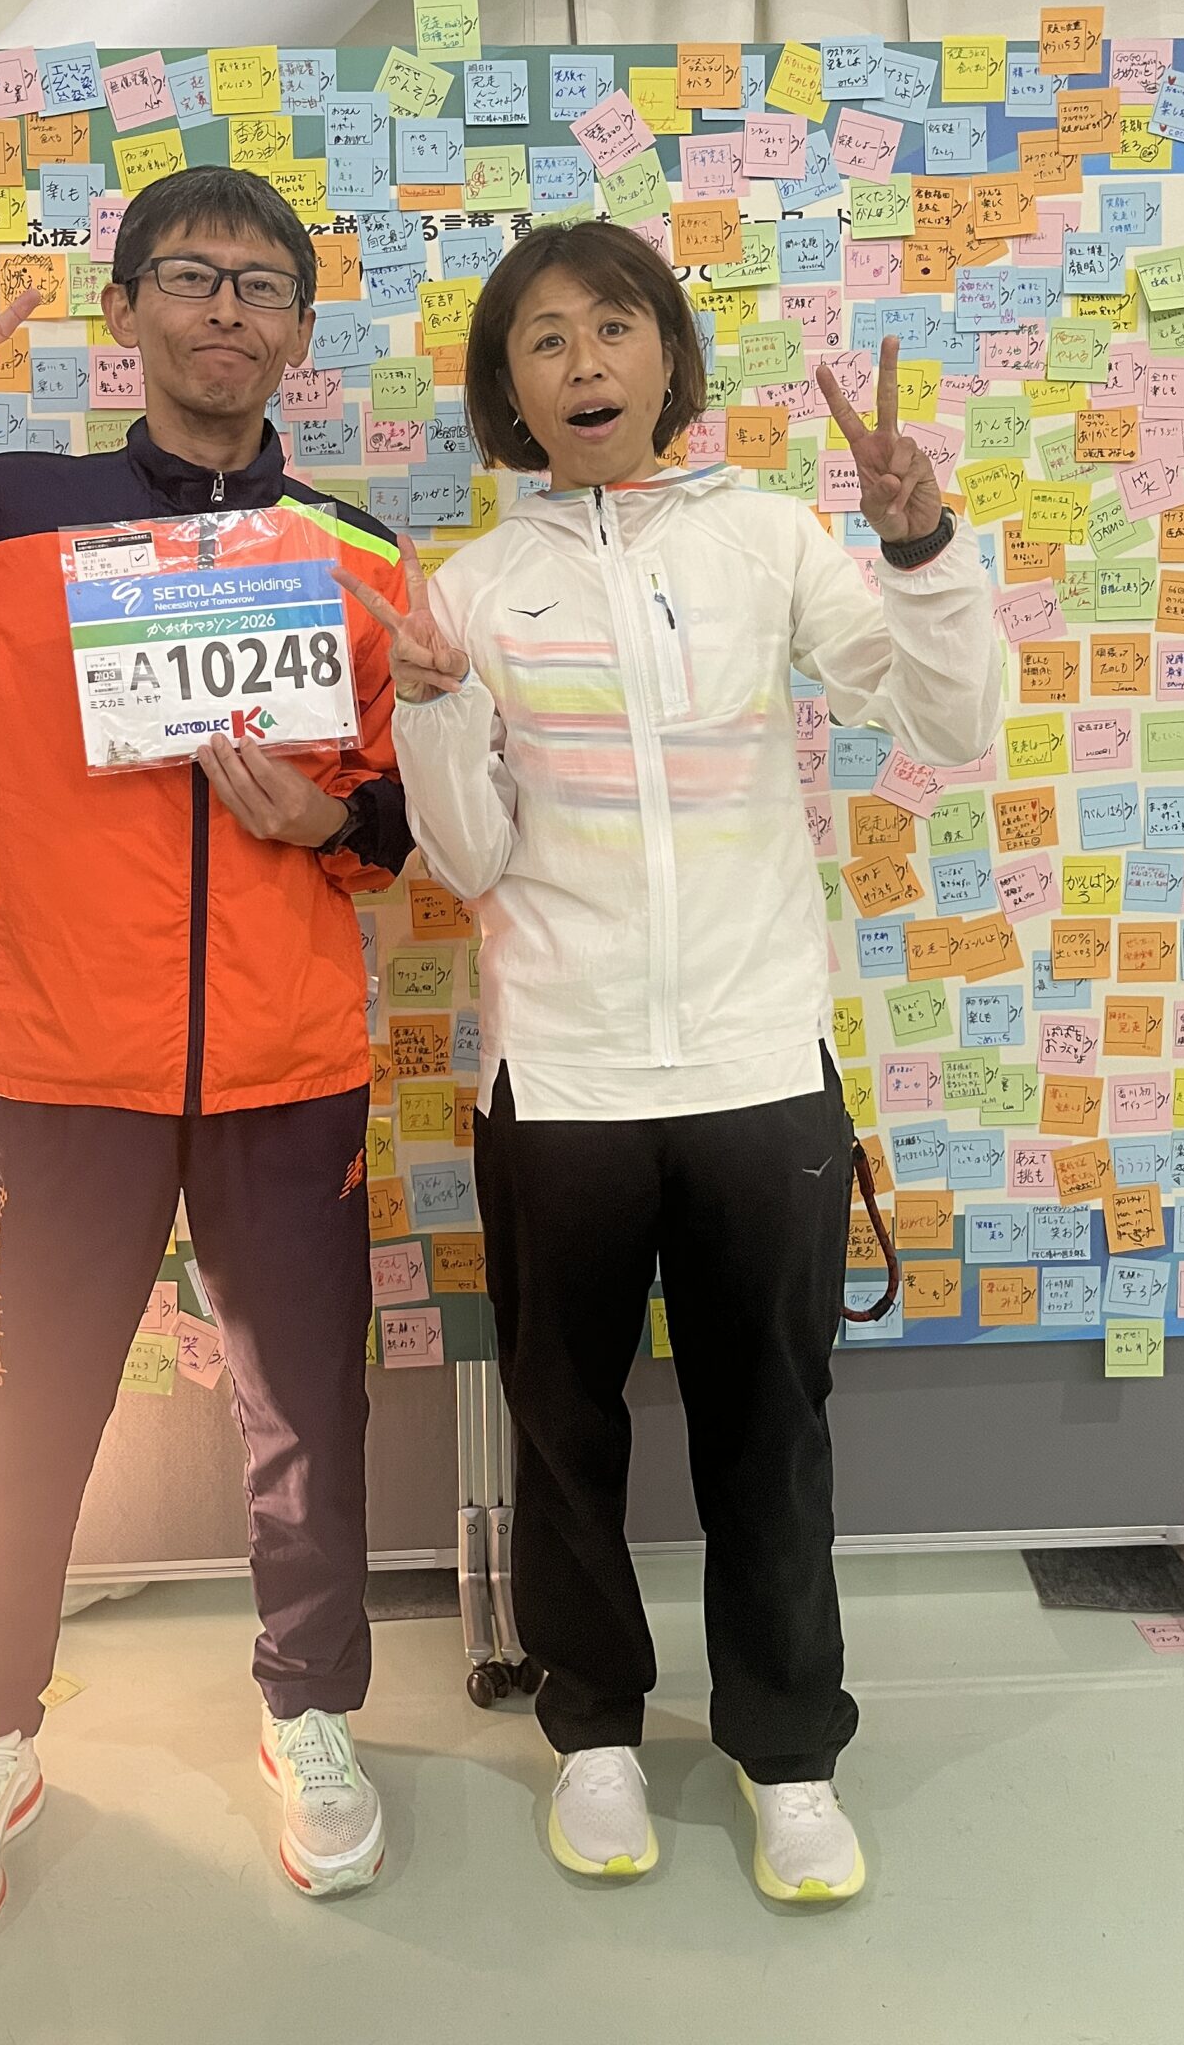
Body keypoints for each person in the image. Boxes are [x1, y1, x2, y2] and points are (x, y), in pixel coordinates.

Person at [0, 169, 413, 1943]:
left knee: (307, 1419)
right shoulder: (6, 515)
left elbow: (401, 818)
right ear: (123, 311)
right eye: (189, 276)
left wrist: (328, 822)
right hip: (63, 1067)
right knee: (21, 1421)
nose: (225, 309)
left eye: (262, 286)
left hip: (288, 1068)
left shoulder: (354, 551)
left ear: (298, 334)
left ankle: (309, 1713)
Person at [337, 219, 1001, 1905]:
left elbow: (953, 723)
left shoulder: (769, 536)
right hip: (561, 1083)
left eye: (613, 328)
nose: (584, 364)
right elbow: (470, 858)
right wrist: (432, 710)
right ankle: (598, 1735)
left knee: (770, 1426)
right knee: (562, 1428)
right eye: (545, 339)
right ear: (508, 390)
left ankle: (790, 1754)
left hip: (759, 1067)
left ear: (667, 362)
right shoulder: (471, 590)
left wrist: (920, 545)